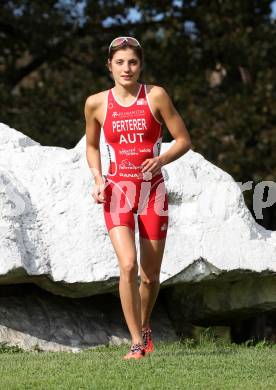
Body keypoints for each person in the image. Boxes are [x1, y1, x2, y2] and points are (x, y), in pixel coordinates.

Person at [85, 36, 192, 360]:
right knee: (128, 265)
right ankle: (135, 343)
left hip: (152, 193)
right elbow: (91, 146)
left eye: (132, 62)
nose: (126, 68)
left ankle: (144, 327)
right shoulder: (96, 103)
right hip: (118, 191)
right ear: (109, 66)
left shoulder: (155, 96)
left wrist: (161, 159)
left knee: (149, 275)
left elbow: (184, 140)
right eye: (120, 62)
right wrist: (97, 177)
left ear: (140, 64)